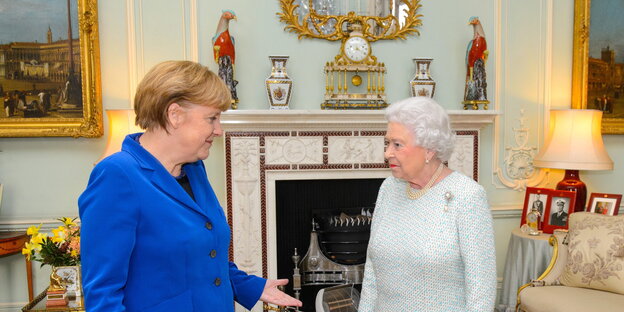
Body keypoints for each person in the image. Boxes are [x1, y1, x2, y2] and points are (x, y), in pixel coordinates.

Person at [79, 61, 302, 311]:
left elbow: (205, 256)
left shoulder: (193, 169)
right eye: (212, 118)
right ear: (174, 115)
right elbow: (102, 294)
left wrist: (251, 286)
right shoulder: (117, 175)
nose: (219, 130)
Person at [358, 97, 496, 311]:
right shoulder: (389, 188)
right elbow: (371, 271)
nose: (387, 153)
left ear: (429, 150)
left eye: (397, 145)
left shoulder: (467, 196)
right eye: (387, 143)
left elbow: (481, 288)